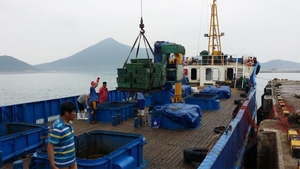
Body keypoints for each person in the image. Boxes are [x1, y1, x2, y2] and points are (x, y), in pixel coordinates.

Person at [47, 102, 77, 169]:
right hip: (63, 164)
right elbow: (50, 147)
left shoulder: (70, 123)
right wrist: (53, 166)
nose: (75, 114)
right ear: (66, 112)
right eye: (73, 112)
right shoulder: (58, 127)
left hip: (72, 162)